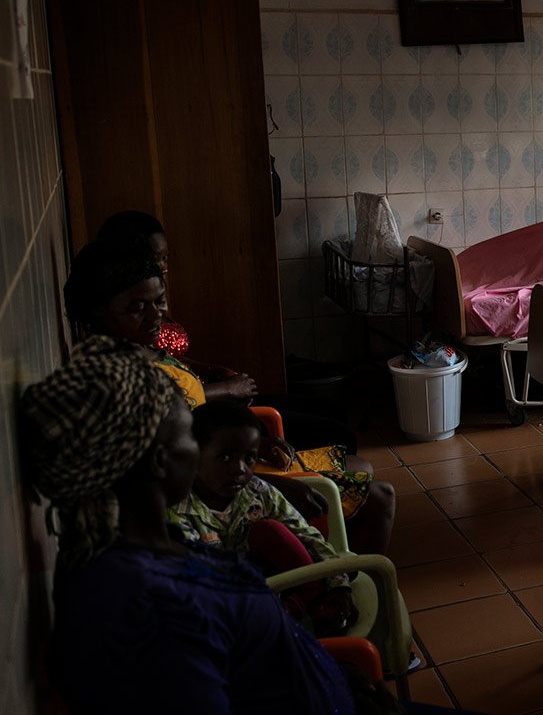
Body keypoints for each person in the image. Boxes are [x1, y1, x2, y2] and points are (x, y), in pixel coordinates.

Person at [20, 336, 357, 714]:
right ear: (161, 461)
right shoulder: (148, 605)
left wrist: (341, 679)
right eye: (188, 435)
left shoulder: (151, 544)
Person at [64, 241, 396, 554]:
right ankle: (337, 586)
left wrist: (254, 447)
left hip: (224, 464)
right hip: (212, 496)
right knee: (380, 496)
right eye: (137, 307)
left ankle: (326, 567)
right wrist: (272, 486)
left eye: (159, 301)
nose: (156, 316)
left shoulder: (138, 347)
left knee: (361, 466)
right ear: (98, 311)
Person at [96, 210, 359, 454]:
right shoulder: (120, 350)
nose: (163, 267)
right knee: (339, 435)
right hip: (211, 423)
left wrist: (210, 370)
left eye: (165, 258)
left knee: (330, 410)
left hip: (221, 404)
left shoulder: (145, 324)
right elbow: (174, 403)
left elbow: (167, 360)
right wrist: (226, 389)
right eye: (156, 259)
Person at [170, 401, 356, 635]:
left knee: (270, 530)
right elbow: (197, 580)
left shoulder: (259, 491)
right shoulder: (177, 508)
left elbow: (307, 537)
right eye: (225, 457)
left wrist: (339, 585)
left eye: (249, 458)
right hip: (224, 598)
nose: (240, 469)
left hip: (277, 581)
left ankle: (312, 595)